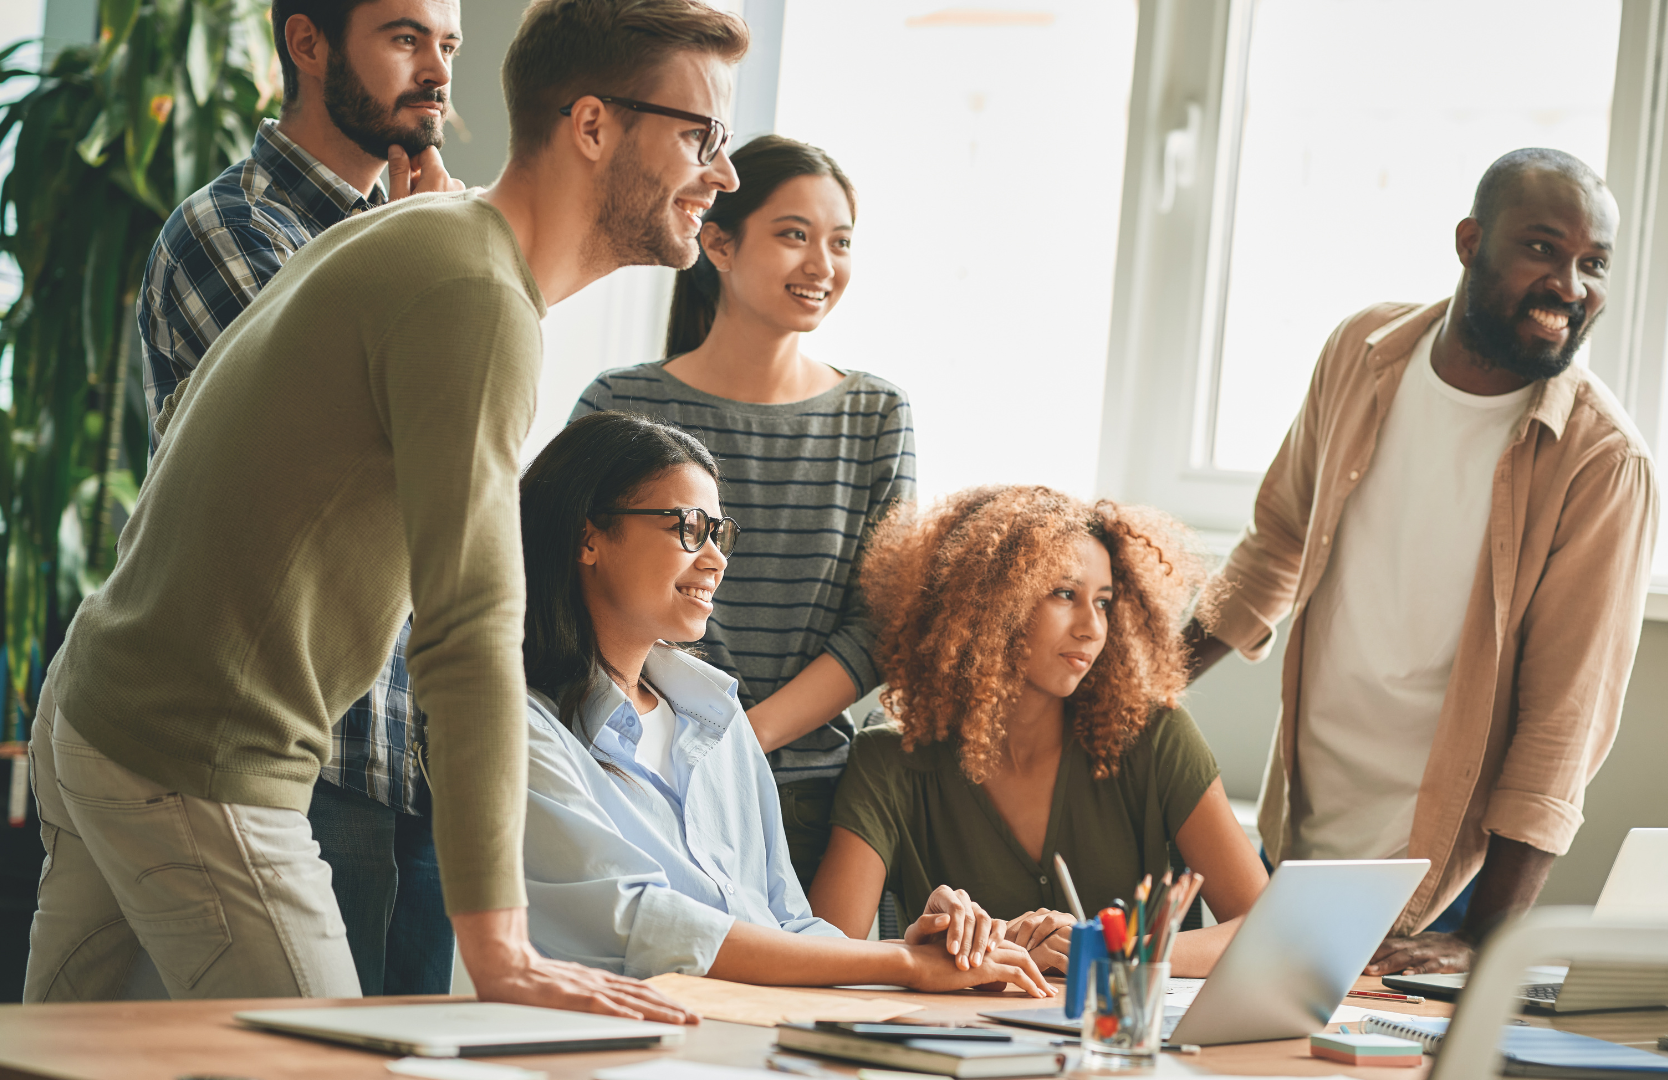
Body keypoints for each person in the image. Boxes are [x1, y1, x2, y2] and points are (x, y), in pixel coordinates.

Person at [25, 0, 747, 1017]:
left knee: (57, 1057)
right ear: (592, 126)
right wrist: (502, 949)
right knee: (329, 1060)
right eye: (700, 135)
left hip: (106, 710)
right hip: (196, 754)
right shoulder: (472, 291)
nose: (724, 174)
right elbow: (470, 624)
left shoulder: (436, 235)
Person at [1180, 148, 1658, 978]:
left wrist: (1485, 943)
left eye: (1595, 264)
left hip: (1447, 880)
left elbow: (1563, 719)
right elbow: (1274, 547)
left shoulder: (1602, 460)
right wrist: (1143, 686)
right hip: (1296, 830)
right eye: (1543, 249)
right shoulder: (1363, 352)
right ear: (1472, 241)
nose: (1571, 287)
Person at [136, 0, 469, 997]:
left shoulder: (417, 231)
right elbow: (384, 453)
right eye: (406, 38)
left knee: (409, 1064)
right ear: (309, 43)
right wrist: (443, 263)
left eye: (447, 44)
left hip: (415, 756)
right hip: (298, 761)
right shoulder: (232, 231)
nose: (438, 71)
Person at [512, 412, 1052, 996]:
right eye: (688, 529)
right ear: (587, 537)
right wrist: (899, 967)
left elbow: (788, 924)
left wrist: (922, 951)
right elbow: (644, 927)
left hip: (755, 1033)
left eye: (720, 534)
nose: (716, 559)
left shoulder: (716, 719)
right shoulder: (519, 729)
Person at [569, 135, 913, 888]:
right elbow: (568, 582)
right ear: (717, 244)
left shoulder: (875, 414)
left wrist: (737, 744)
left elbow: (881, 625)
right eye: (794, 235)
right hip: (631, 771)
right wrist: (682, 743)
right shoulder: (621, 402)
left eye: (841, 242)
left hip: (808, 796)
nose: (823, 265)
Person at [806, 487, 1270, 978]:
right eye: (1065, 594)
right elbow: (824, 949)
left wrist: (1108, 949)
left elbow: (1267, 929)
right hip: (962, 1044)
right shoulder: (888, 760)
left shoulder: (1155, 734)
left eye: (1105, 602)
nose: (1093, 627)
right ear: (989, 601)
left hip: (1115, 1044)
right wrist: (942, 949)